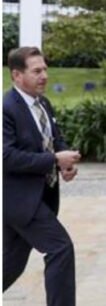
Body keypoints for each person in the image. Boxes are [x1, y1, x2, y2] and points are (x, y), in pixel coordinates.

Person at [3, 46, 80, 306]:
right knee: (60, 248)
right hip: (19, 201)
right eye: (37, 71)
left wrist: (64, 163)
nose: (44, 75)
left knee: (10, 265)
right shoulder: (6, 108)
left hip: (39, 198)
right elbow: (6, 157)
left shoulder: (42, 102)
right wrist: (53, 160)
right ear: (17, 75)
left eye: (45, 69)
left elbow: (53, 139)